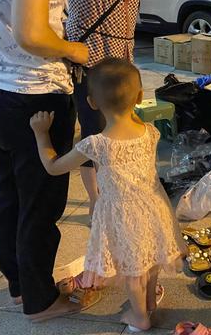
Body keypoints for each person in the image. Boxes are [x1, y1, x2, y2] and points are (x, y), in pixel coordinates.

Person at [0, 0, 99, 321]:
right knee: (41, 205)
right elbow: (33, 33)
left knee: (10, 196)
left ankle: (19, 287)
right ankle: (40, 300)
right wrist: (74, 50)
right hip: (36, 96)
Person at [29, 58, 184, 332]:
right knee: (150, 257)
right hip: (155, 206)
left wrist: (41, 135)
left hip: (123, 214)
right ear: (139, 97)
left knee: (133, 266)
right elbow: (130, 117)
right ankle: (148, 303)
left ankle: (139, 318)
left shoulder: (95, 144)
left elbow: (53, 167)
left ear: (91, 103)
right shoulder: (151, 132)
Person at [65, 0, 168, 218]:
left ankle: (114, 189)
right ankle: (96, 200)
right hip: (91, 63)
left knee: (120, 129)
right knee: (95, 133)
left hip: (121, 63)